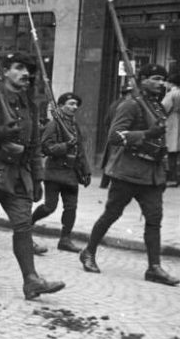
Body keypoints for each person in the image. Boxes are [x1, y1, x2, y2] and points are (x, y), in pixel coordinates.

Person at [0, 52, 65, 299]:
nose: (25, 73)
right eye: (18, 68)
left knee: (23, 225)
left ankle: (31, 280)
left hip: (19, 174)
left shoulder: (30, 104)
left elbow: (36, 144)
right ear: (6, 71)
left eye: (28, 70)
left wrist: (38, 178)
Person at [80, 64, 178, 286]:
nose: (161, 83)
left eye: (163, 80)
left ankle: (154, 267)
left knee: (154, 220)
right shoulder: (130, 105)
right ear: (141, 79)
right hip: (128, 172)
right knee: (111, 214)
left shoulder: (158, 107)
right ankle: (89, 251)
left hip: (152, 175)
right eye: (155, 78)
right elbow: (114, 136)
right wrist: (145, 134)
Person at [31, 92, 91, 252]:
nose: (74, 107)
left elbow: (81, 151)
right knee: (50, 206)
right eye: (71, 104)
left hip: (71, 174)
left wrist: (86, 170)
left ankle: (65, 239)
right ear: (61, 105)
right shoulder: (54, 124)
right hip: (54, 173)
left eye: (76, 104)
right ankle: (27, 225)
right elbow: (46, 148)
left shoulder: (74, 126)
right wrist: (66, 146)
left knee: (71, 208)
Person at [162, 71, 180, 187]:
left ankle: (172, 178)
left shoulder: (171, 94)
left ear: (171, 83)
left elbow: (163, 108)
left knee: (170, 150)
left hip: (172, 121)